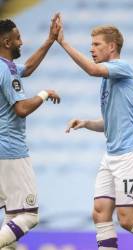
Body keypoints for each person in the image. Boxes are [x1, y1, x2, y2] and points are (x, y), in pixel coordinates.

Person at [56, 15, 133, 250]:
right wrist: (85, 123)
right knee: (100, 212)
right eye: (91, 45)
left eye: (96, 44)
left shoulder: (122, 67)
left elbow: (91, 69)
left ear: (112, 47)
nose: (91, 49)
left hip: (131, 153)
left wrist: (63, 42)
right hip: (111, 155)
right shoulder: (108, 78)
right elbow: (110, 123)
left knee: (127, 219)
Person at [0, 16, 60, 249]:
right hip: (11, 151)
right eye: (17, 39)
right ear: (6, 42)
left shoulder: (6, 67)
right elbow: (21, 109)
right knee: (29, 215)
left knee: (12, 218)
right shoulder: (7, 71)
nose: (22, 42)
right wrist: (44, 94)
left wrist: (50, 40)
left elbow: (29, 68)